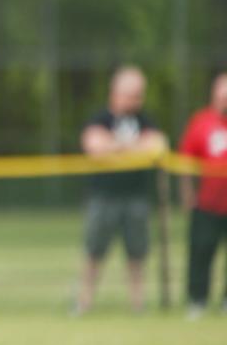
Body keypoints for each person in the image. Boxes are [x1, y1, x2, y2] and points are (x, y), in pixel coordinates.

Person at [74, 66, 167, 315]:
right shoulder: (100, 118)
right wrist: (135, 146)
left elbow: (158, 145)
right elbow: (93, 145)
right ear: (115, 92)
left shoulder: (145, 120)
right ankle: (83, 303)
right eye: (132, 94)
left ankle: (138, 306)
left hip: (136, 198)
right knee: (94, 252)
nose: (136, 100)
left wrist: (114, 146)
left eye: (139, 94)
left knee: (137, 255)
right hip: (103, 198)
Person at [179, 72, 227, 319]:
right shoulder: (201, 122)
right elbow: (186, 160)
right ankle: (197, 300)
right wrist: (188, 195)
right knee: (201, 251)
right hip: (207, 204)